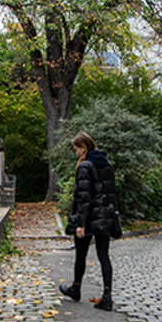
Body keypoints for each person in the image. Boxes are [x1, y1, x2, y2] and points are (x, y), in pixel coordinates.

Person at [58, 132, 118, 311]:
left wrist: (81, 224)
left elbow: (84, 197)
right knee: (103, 255)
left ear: (83, 147)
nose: (76, 153)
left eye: (76, 149)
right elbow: (111, 194)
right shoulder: (107, 164)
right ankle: (107, 296)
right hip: (105, 217)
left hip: (89, 217)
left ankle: (76, 289)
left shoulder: (85, 165)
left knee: (81, 255)